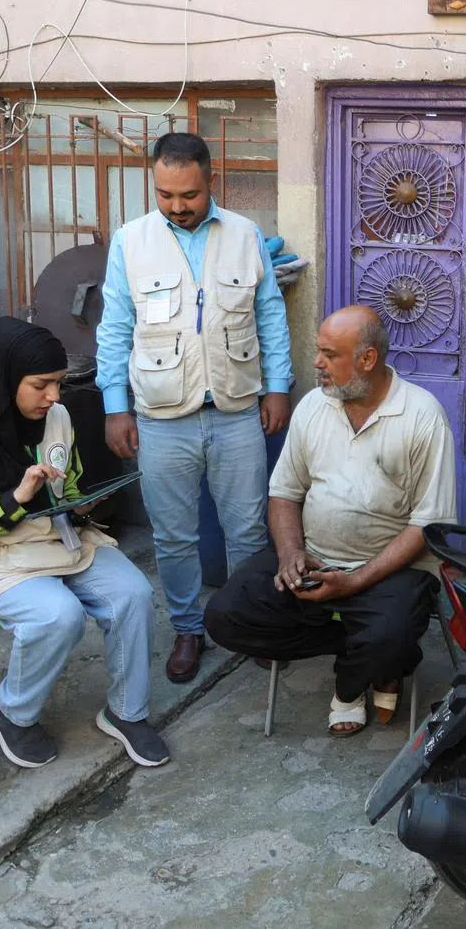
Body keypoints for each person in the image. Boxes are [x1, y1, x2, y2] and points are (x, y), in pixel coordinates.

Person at [95, 132, 293, 685]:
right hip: (161, 418)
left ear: (211, 181)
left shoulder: (245, 234)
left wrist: (277, 385)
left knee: (249, 529)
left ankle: (249, 620)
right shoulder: (130, 242)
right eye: (165, 195)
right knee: (173, 535)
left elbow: (270, 315)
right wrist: (116, 406)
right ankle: (188, 627)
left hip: (236, 411)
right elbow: (114, 328)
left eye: (190, 195)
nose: (178, 206)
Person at [204, 306, 456, 735]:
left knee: (390, 633)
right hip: (314, 559)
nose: (316, 363)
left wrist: (356, 582)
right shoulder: (314, 407)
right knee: (225, 616)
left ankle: (351, 681)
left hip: (389, 572)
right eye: (317, 351)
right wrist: (290, 555)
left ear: (367, 359)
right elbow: (284, 492)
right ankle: (369, 656)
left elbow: (427, 526)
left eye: (328, 354)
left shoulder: (421, 416)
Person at [0, 318, 168, 769]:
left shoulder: (58, 417)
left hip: (61, 539)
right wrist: (17, 497)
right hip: (5, 554)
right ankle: (13, 711)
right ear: (6, 377)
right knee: (58, 615)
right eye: (40, 385)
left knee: (133, 594)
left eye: (58, 383)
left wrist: (82, 506)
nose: (53, 396)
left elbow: (67, 489)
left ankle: (126, 712)